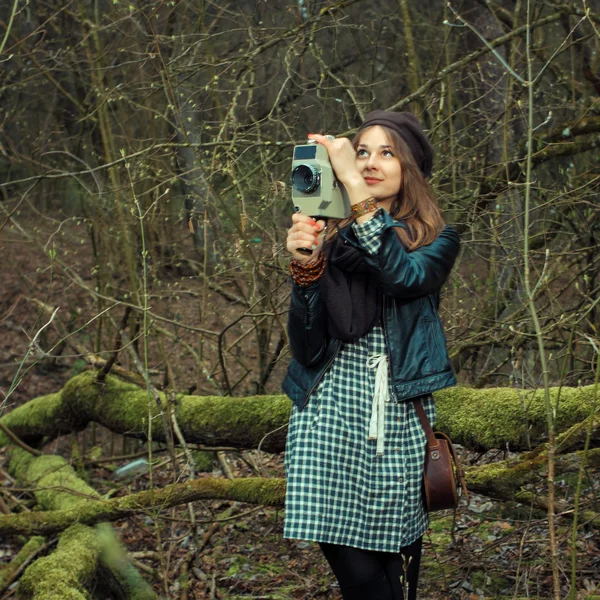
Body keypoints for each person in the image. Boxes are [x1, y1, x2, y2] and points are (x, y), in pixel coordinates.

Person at [281, 110, 461, 600]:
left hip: (396, 416)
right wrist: (305, 269)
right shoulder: (332, 238)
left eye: (387, 152)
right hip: (328, 411)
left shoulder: (436, 240)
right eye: (361, 152)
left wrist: (354, 192)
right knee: (359, 580)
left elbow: (402, 275)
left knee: (397, 576)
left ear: (411, 167)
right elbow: (308, 346)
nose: (371, 162)